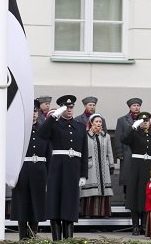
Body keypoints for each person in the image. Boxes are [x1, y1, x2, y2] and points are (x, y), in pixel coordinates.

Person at [39, 94, 88, 240]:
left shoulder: (80, 127)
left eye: (71, 107)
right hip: (57, 169)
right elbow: (42, 134)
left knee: (69, 206)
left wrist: (83, 174)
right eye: (66, 107)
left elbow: (84, 151)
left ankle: (68, 240)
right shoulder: (54, 125)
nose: (69, 110)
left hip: (73, 170)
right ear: (61, 109)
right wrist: (53, 117)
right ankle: (56, 240)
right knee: (55, 205)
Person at [11, 99, 49, 239]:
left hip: (39, 170)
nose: (33, 114)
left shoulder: (43, 129)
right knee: (22, 204)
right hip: (22, 170)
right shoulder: (19, 129)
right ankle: (23, 237)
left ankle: (33, 235)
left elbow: (49, 152)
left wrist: (48, 173)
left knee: (36, 203)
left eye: (35, 111)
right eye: (30, 111)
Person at [122, 110, 151, 235]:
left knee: (147, 196)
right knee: (134, 196)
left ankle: (145, 225)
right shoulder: (134, 134)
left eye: (146, 121)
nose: (145, 122)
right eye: (142, 120)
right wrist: (133, 127)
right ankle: (135, 225)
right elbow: (124, 139)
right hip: (136, 168)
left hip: (149, 169)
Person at [80, 113, 114, 218]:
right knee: (91, 188)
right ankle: (88, 213)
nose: (99, 123)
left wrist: (111, 164)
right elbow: (83, 151)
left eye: (100, 122)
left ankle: (104, 213)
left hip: (104, 166)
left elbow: (109, 151)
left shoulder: (106, 136)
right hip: (91, 166)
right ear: (91, 123)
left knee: (104, 188)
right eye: (96, 121)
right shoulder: (86, 136)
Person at [115, 97, 143, 198]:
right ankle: (127, 197)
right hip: (127, 152)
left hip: (140, 151)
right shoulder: (122, 120)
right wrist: (119, 152)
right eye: (134, 105)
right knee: (127, 176)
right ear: (130, 107)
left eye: (138, 105)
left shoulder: (144, 119)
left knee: (139, 176)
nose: (136, 107)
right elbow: (118, 136)